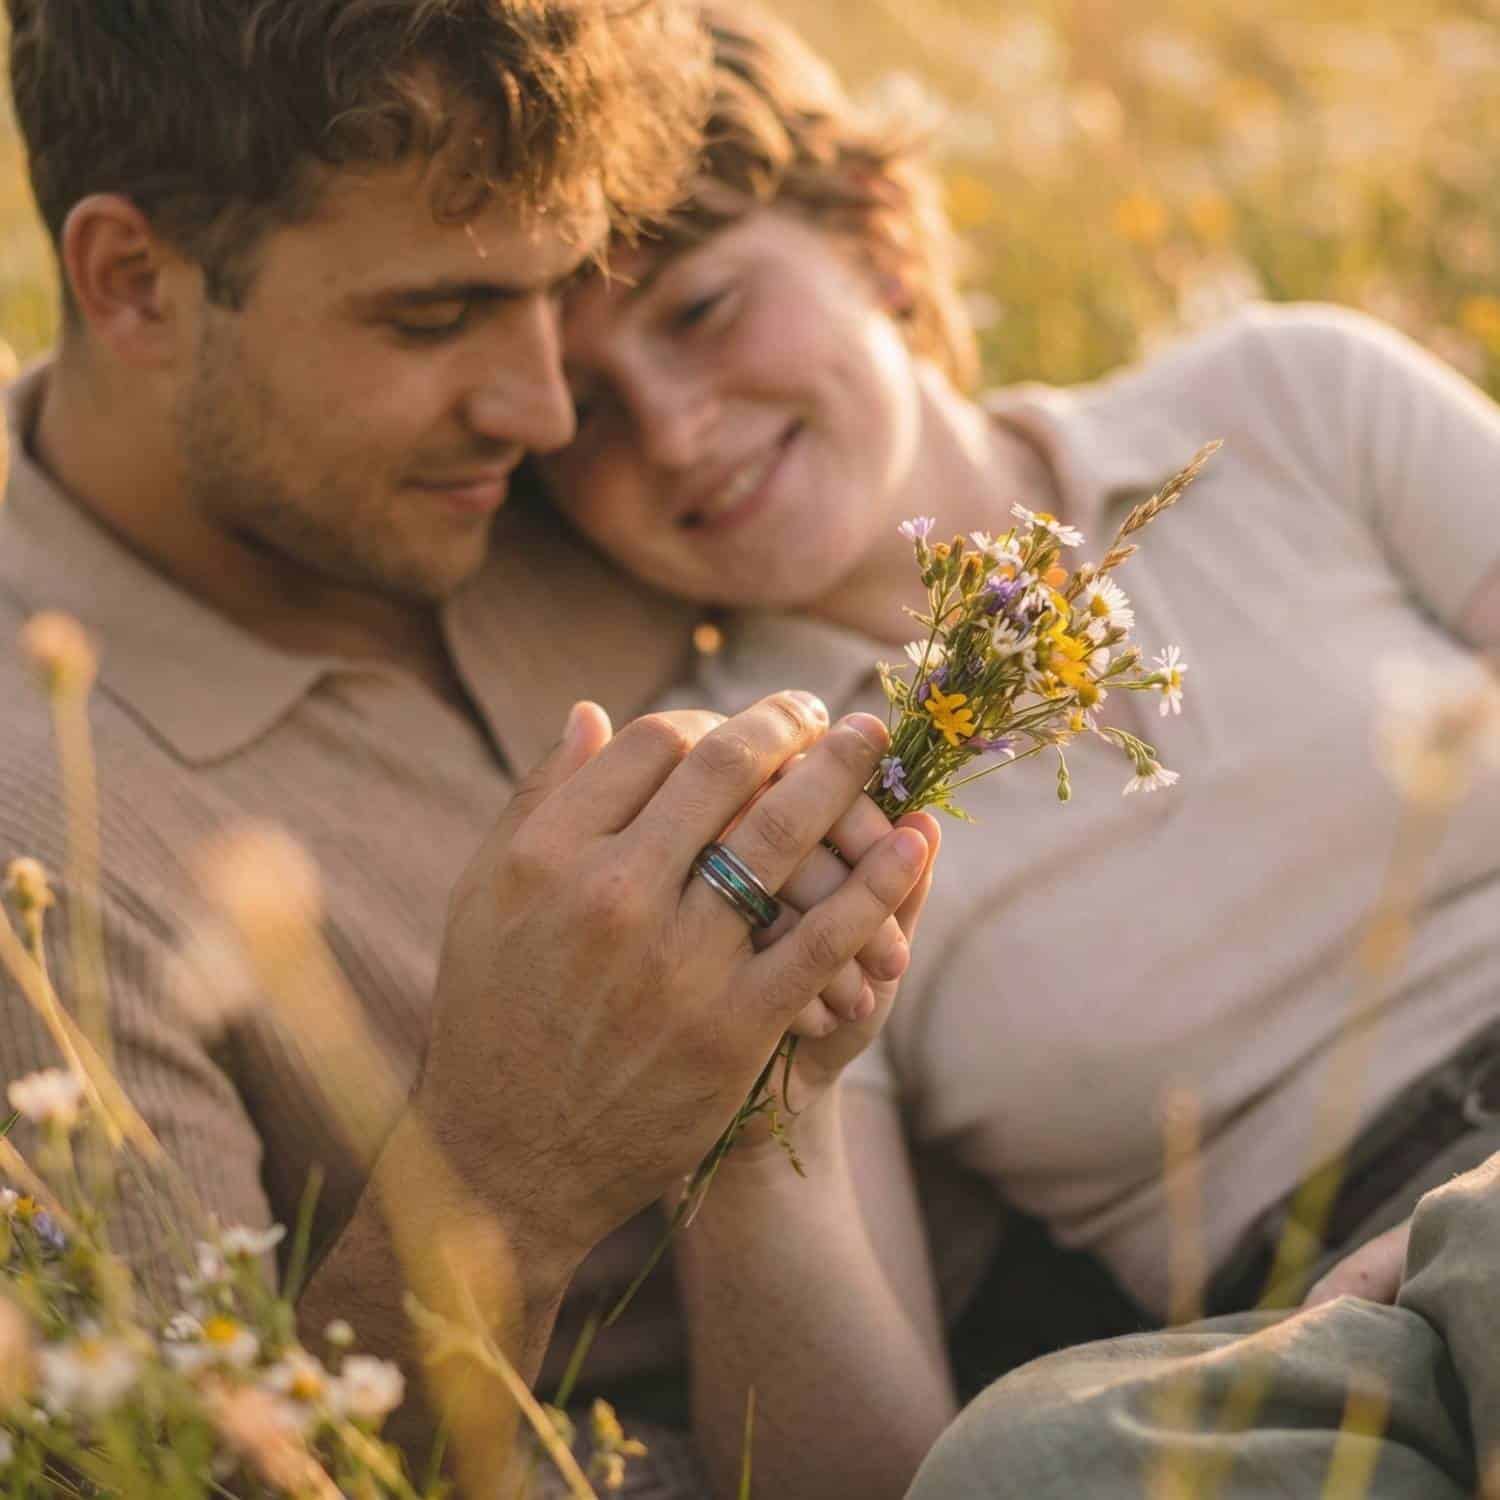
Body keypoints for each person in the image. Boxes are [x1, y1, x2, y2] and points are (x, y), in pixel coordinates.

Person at [534, 3, 1500, 1493]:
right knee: (1020, 1467)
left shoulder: (1284, 402)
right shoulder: (769, 810)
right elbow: (860, 1467)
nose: (668, 430)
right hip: (1339, 1337)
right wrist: (750, 1103)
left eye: (702, 310)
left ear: (878, 243)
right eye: (585, 413)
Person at [0, 1, 944, 1494]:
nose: (547, 407)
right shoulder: (43, 833)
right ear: (133, 283)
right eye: (434, 319)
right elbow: (168, 1477)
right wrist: (512, 1168)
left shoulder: (581, 489)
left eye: (562, 292)